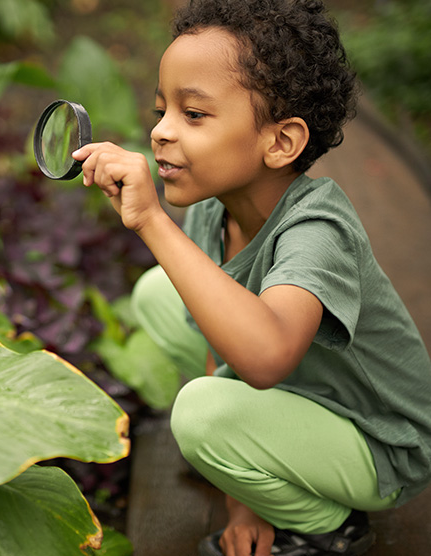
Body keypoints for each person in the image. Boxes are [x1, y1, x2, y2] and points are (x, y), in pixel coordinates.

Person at [71, 0, 431, 555]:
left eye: (194, 115)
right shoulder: (214, 210)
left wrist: (149, 221)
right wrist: (242, 497)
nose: (161, 133)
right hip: (306, 392)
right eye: (162, 110)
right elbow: (226, 350)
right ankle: (257, 463)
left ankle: (325, 522)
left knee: (198, 413)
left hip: (379, 443)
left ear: (280, 142)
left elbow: (263, 358)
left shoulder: (318, 229)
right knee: (158, 293)